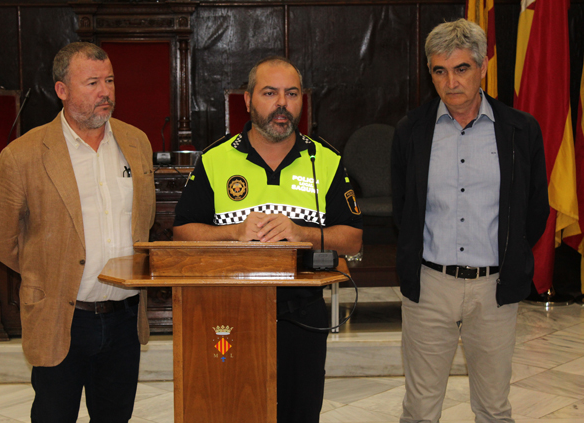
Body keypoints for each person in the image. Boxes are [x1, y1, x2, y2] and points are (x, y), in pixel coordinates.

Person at [173, 56, 363, 423]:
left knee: (300, 413)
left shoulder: (325, 160)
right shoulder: (215, 159)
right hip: (230, 311)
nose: (282, 104)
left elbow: (352, 239)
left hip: (303, 314)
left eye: (291, 94)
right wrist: (233, 233)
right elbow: (182, 232)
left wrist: (301, 233)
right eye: (270, 93)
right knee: (232, 411)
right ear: (247, 100)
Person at [0, 42, 156, 422]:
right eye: (92, 83)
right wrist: (44, 269)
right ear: (62, 90)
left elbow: (145, 218)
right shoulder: (24, 154)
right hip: (61, 317)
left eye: (109, 80)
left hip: (124, 317)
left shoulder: (137, 143)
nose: (105, 92)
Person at [391, 19, 549, 423]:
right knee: (420, 409)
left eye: (461, 68)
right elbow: (403, 208)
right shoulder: (411, 130)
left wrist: (510, 256)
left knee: (494, 408)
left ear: (482, 67)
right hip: (430, 285)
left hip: (493, 288)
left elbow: (535, 208)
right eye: (439, 71)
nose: (451, 82)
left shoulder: (520, 130)